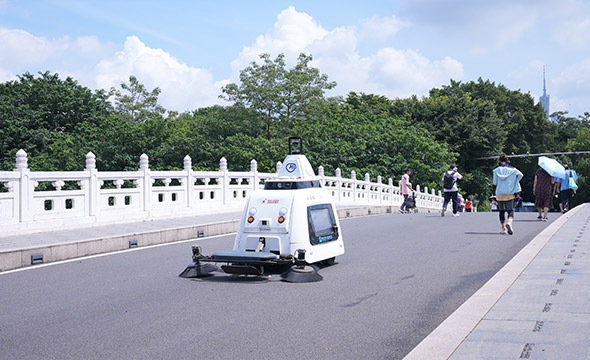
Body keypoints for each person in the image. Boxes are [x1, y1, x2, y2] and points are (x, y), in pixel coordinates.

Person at [493, 155, 523, 235]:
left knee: (501, 211)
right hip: (509, 192)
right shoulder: (513, 170)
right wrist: (514, 181)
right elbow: (521, 175)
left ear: (499, 161)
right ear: (507, 161)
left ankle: (503, 229)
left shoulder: (496, 170)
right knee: (510, 210)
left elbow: (495, 183)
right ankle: (509, 223)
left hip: (499, 193)